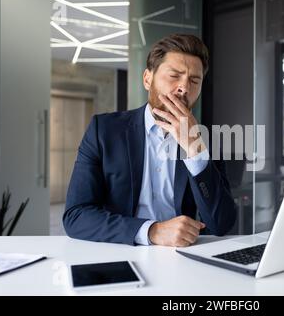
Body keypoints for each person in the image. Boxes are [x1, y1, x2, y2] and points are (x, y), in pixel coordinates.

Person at [63, 34, 237, 247]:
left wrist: (194, 150)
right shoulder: (104, 130)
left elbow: (222, 224)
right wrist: (152, 231)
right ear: (148, 79)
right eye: (174, 75)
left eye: (194, 80)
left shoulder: (207, 139)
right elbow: (76, 216)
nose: (184, 88)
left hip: (182, 259)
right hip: (119, 251)